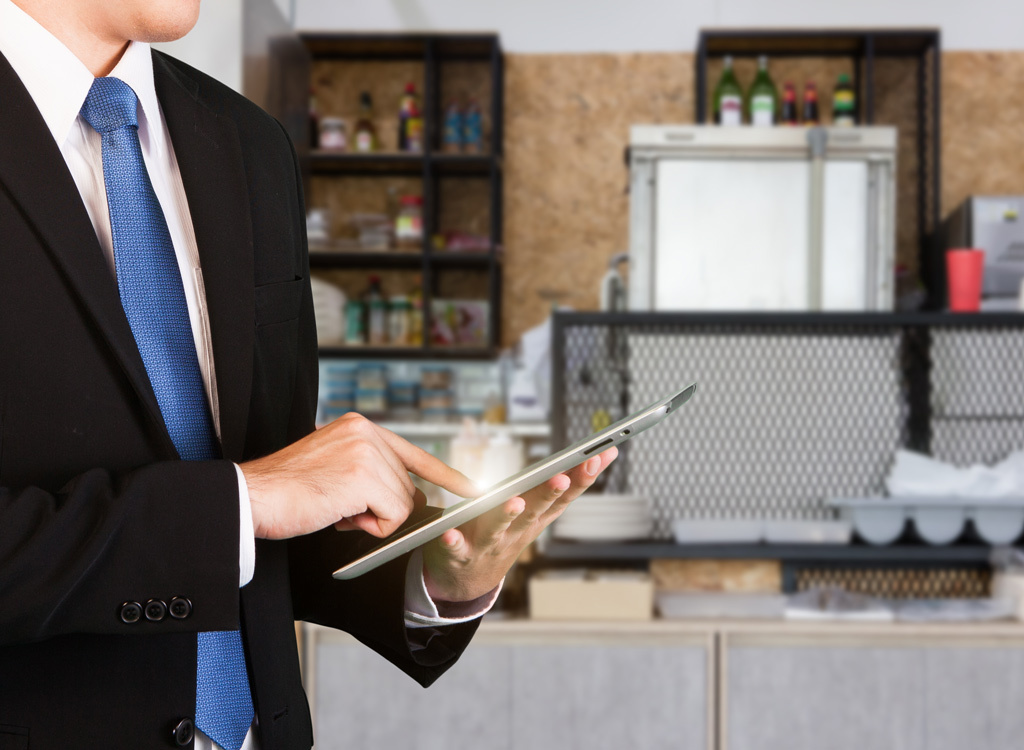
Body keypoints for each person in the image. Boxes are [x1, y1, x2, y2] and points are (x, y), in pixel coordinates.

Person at [0, 1, 616, 749]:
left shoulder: (248, 144)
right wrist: (246, 498)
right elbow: (246, 502)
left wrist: (434, 575)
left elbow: (268, 506)